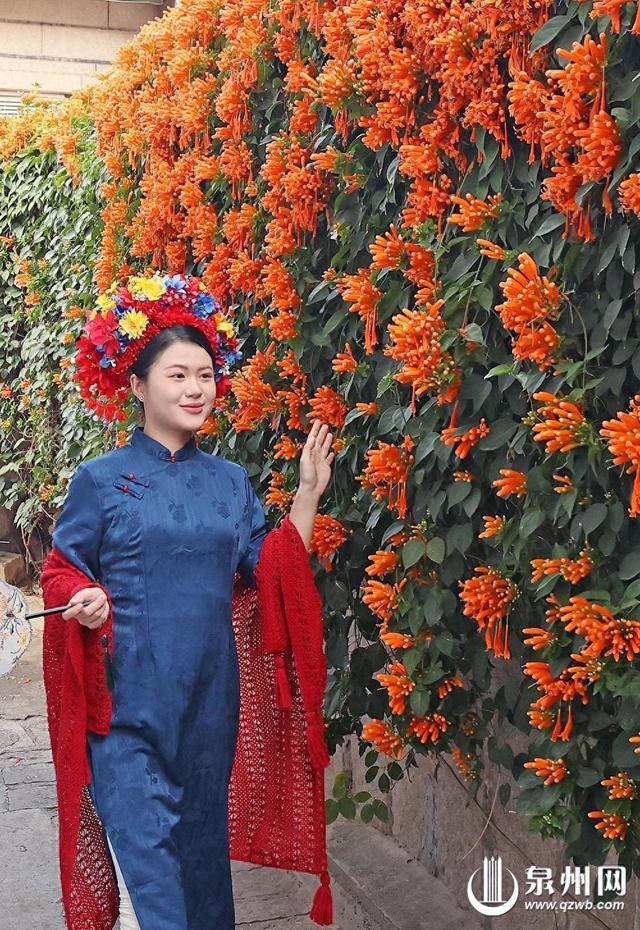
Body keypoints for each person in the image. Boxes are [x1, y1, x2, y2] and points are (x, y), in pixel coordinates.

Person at [48, 272, 335, 930]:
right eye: (177, 375)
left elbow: (274, 571)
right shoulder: (99, 481)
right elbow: (62, 570)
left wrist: (307, 494)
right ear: (137, 386)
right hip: (123, 719)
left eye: (204, 375)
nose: (195, 389)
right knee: (162, 896)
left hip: (209, 716)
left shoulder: (230, 483)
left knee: (205, 887)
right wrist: (83, 596)